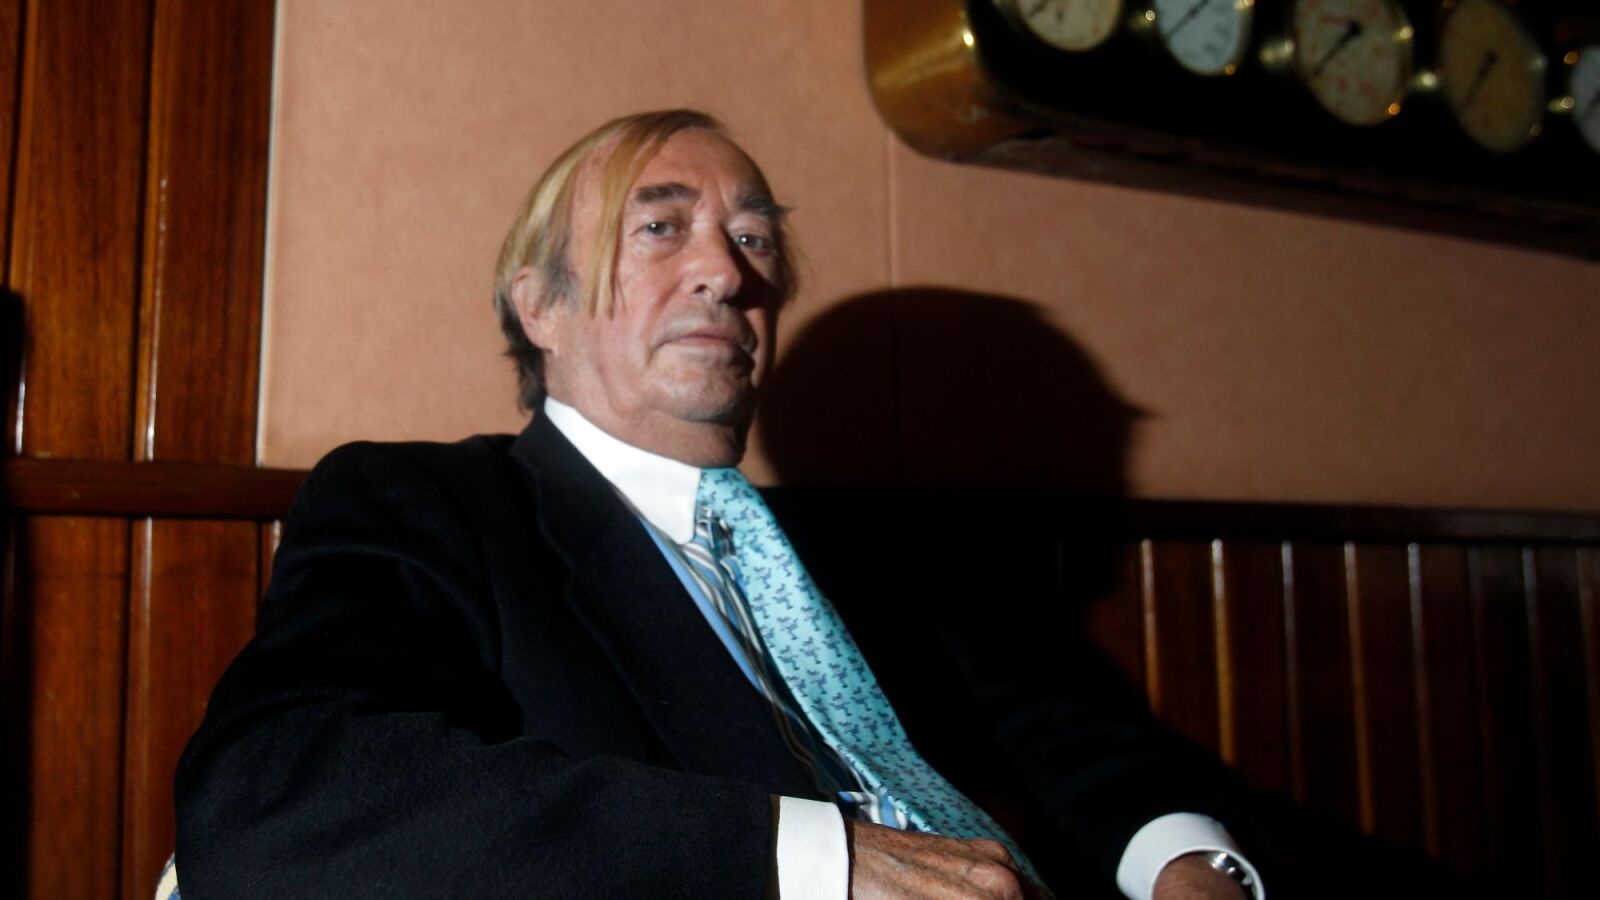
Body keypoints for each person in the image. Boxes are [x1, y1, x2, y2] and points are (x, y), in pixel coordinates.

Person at [173, 110, 1261, 899]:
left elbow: (1058, 732)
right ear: (540, 305)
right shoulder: (430, 505)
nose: (728, 274)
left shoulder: (841, 553)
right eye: (660, 228)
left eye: (752, 239)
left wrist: (1184, 858)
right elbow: (275, 794)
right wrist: (816, 859)